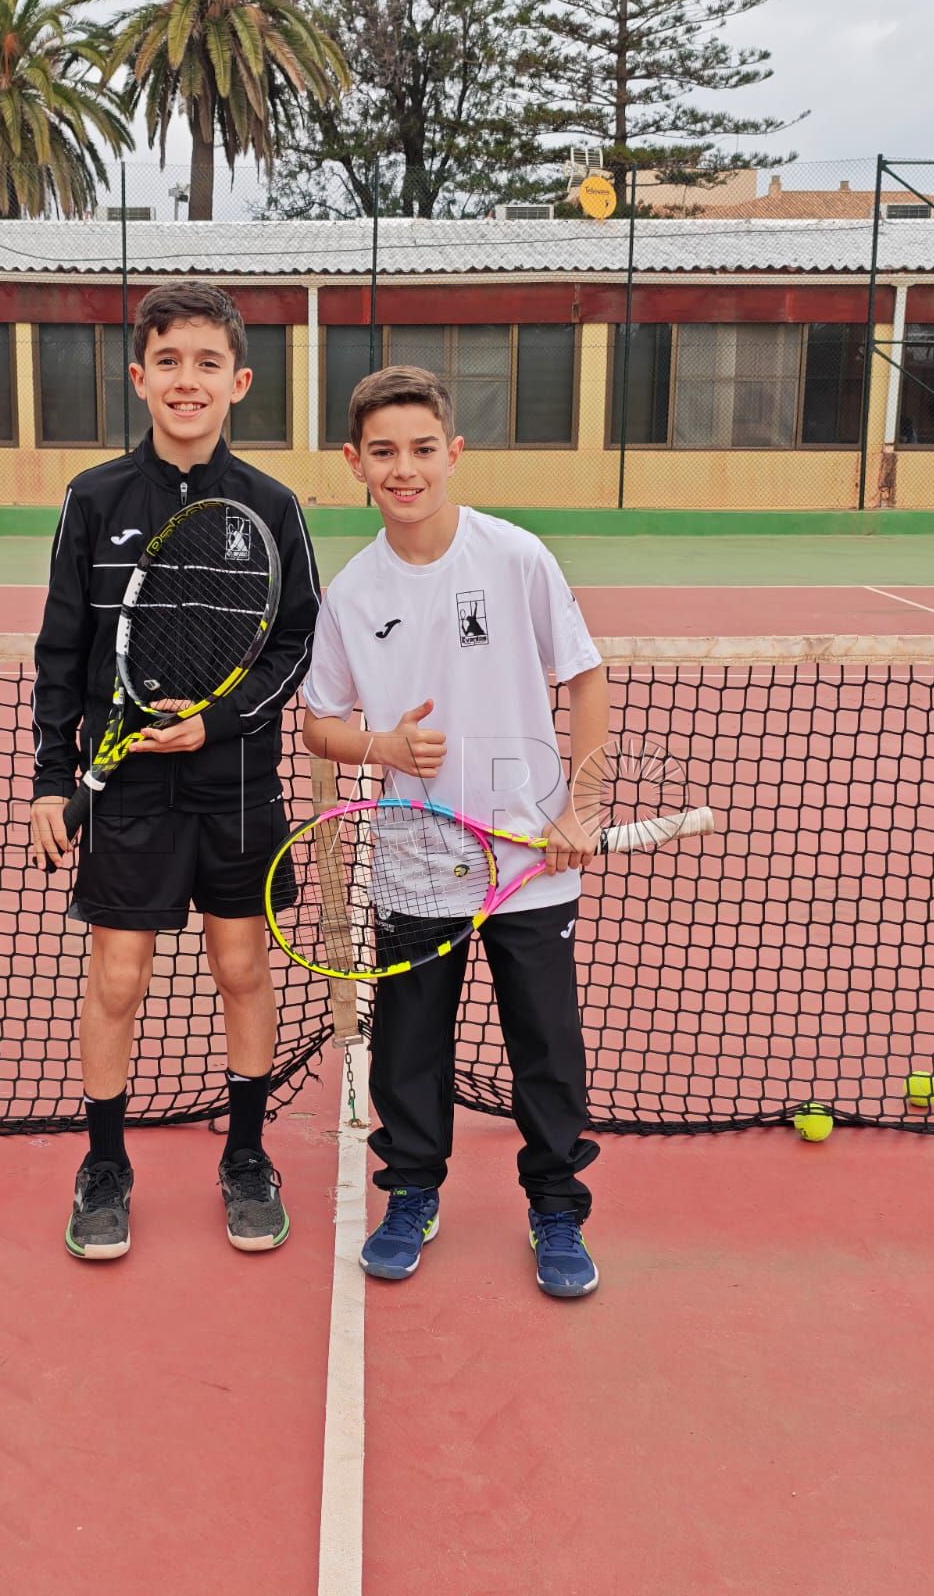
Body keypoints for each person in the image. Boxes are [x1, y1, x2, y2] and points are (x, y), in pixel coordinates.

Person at [300, 366, 610, 1297]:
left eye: (423, 449)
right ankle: (412, 1194)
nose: (405, 469)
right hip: (416, 862)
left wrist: (581, 806)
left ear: (454, 453)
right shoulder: (353, 593)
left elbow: (585, 676)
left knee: (546, 1047)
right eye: (384, 453)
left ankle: (556, 1208)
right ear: (355, 462)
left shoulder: (516, 557)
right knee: (409, 1048)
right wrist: (382, 745)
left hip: (530, 863)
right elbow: (318, 724)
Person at [30, 282, 320, 1262]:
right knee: (118, 977)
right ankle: (105, 1165)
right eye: (168, 362)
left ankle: (246, 1154)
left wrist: (218, 723)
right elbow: (62, 649)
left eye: (207, 362)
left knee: (242, 967)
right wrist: (50, 776)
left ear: (239, 382)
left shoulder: (273, 507)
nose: (186, 380)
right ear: (139, 376)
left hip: (236, 786)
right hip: (127, 792)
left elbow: (295, 643)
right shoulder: (95, 499)